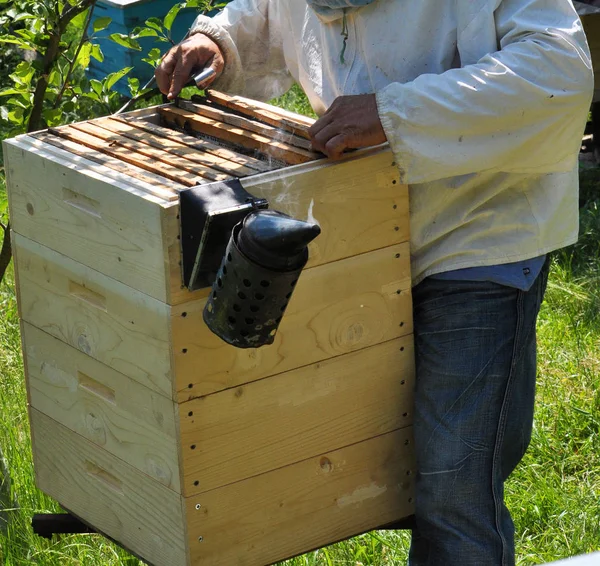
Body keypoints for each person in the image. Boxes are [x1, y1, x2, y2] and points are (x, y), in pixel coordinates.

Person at [156, 1, 593, 564]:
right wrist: (219, 42)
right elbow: (268, 10)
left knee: (454, 483)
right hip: (364, 229)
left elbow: (556, 70)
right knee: (381, 463)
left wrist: (396, 114)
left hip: (481, 227)